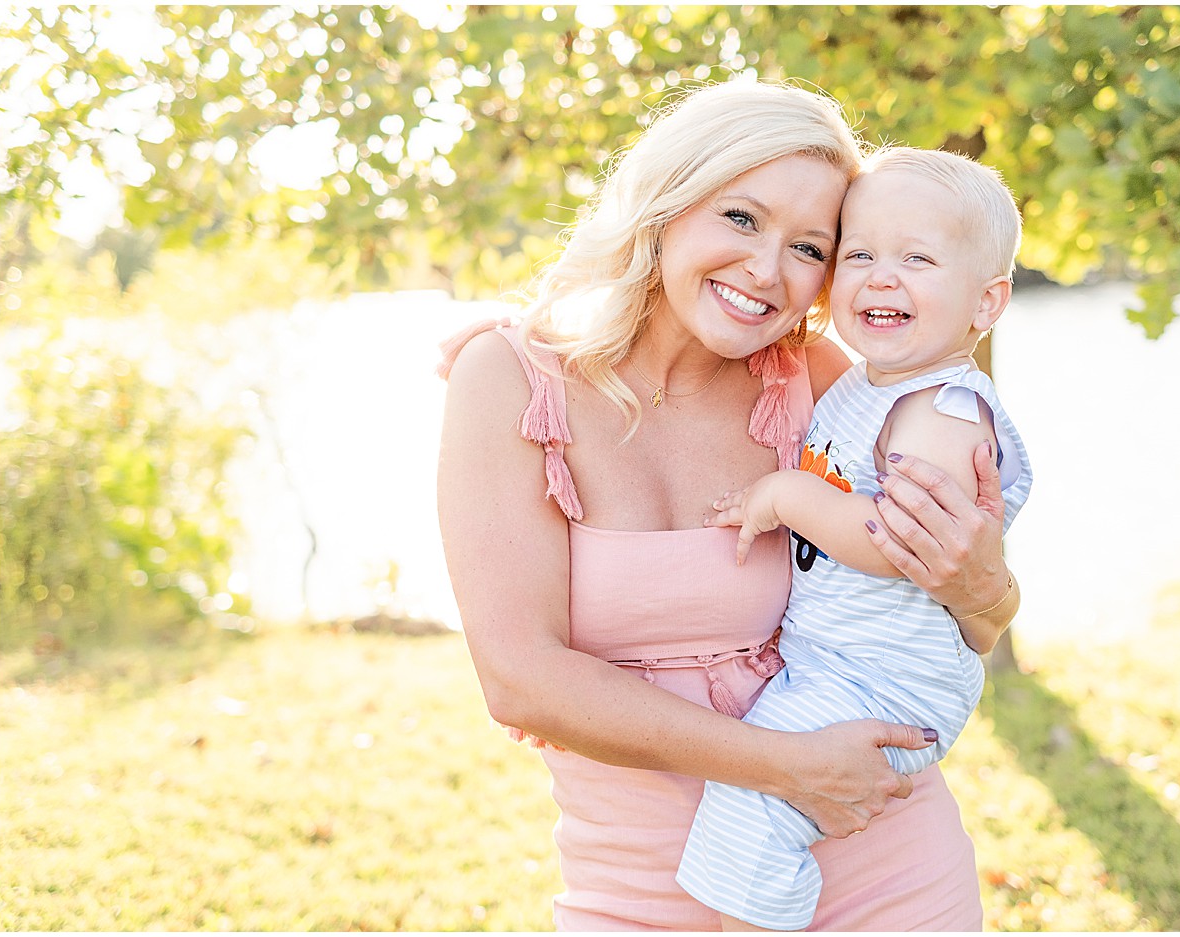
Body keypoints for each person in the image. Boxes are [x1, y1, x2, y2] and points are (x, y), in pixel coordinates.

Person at [436, 79, 1020, 931]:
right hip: (638, 886)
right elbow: (520, 679)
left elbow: (959, 615)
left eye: (811, 248)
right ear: (667, 204)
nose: (765, 270)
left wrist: (987, 592)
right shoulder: (511, 381)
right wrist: (784, 766)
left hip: (882, 864)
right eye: (741, 219)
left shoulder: (827, 386)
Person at [674, 147, 1033, 931]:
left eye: (918, 258)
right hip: (848, 664)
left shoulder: (940, 409)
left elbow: (897, 542)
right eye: (860, 253)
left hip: (888, 680)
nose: (880, 275)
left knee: (750, 815)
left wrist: (788, 495)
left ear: (987, 302)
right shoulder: (867, 386)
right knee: (754, 809)